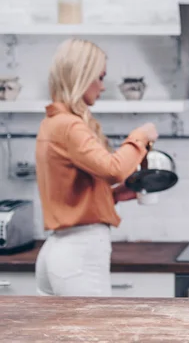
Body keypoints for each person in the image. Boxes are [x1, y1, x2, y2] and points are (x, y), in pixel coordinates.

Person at [35, 38, 158, 296]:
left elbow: (69, 190)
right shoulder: (69, 126)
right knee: (95, 335)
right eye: (99, 77)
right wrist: (141, 135)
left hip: (59, 249)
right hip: (80, 251)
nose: (102, 87)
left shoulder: (54, 123)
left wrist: (111, 195)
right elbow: (113, 168)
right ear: (81, 76)